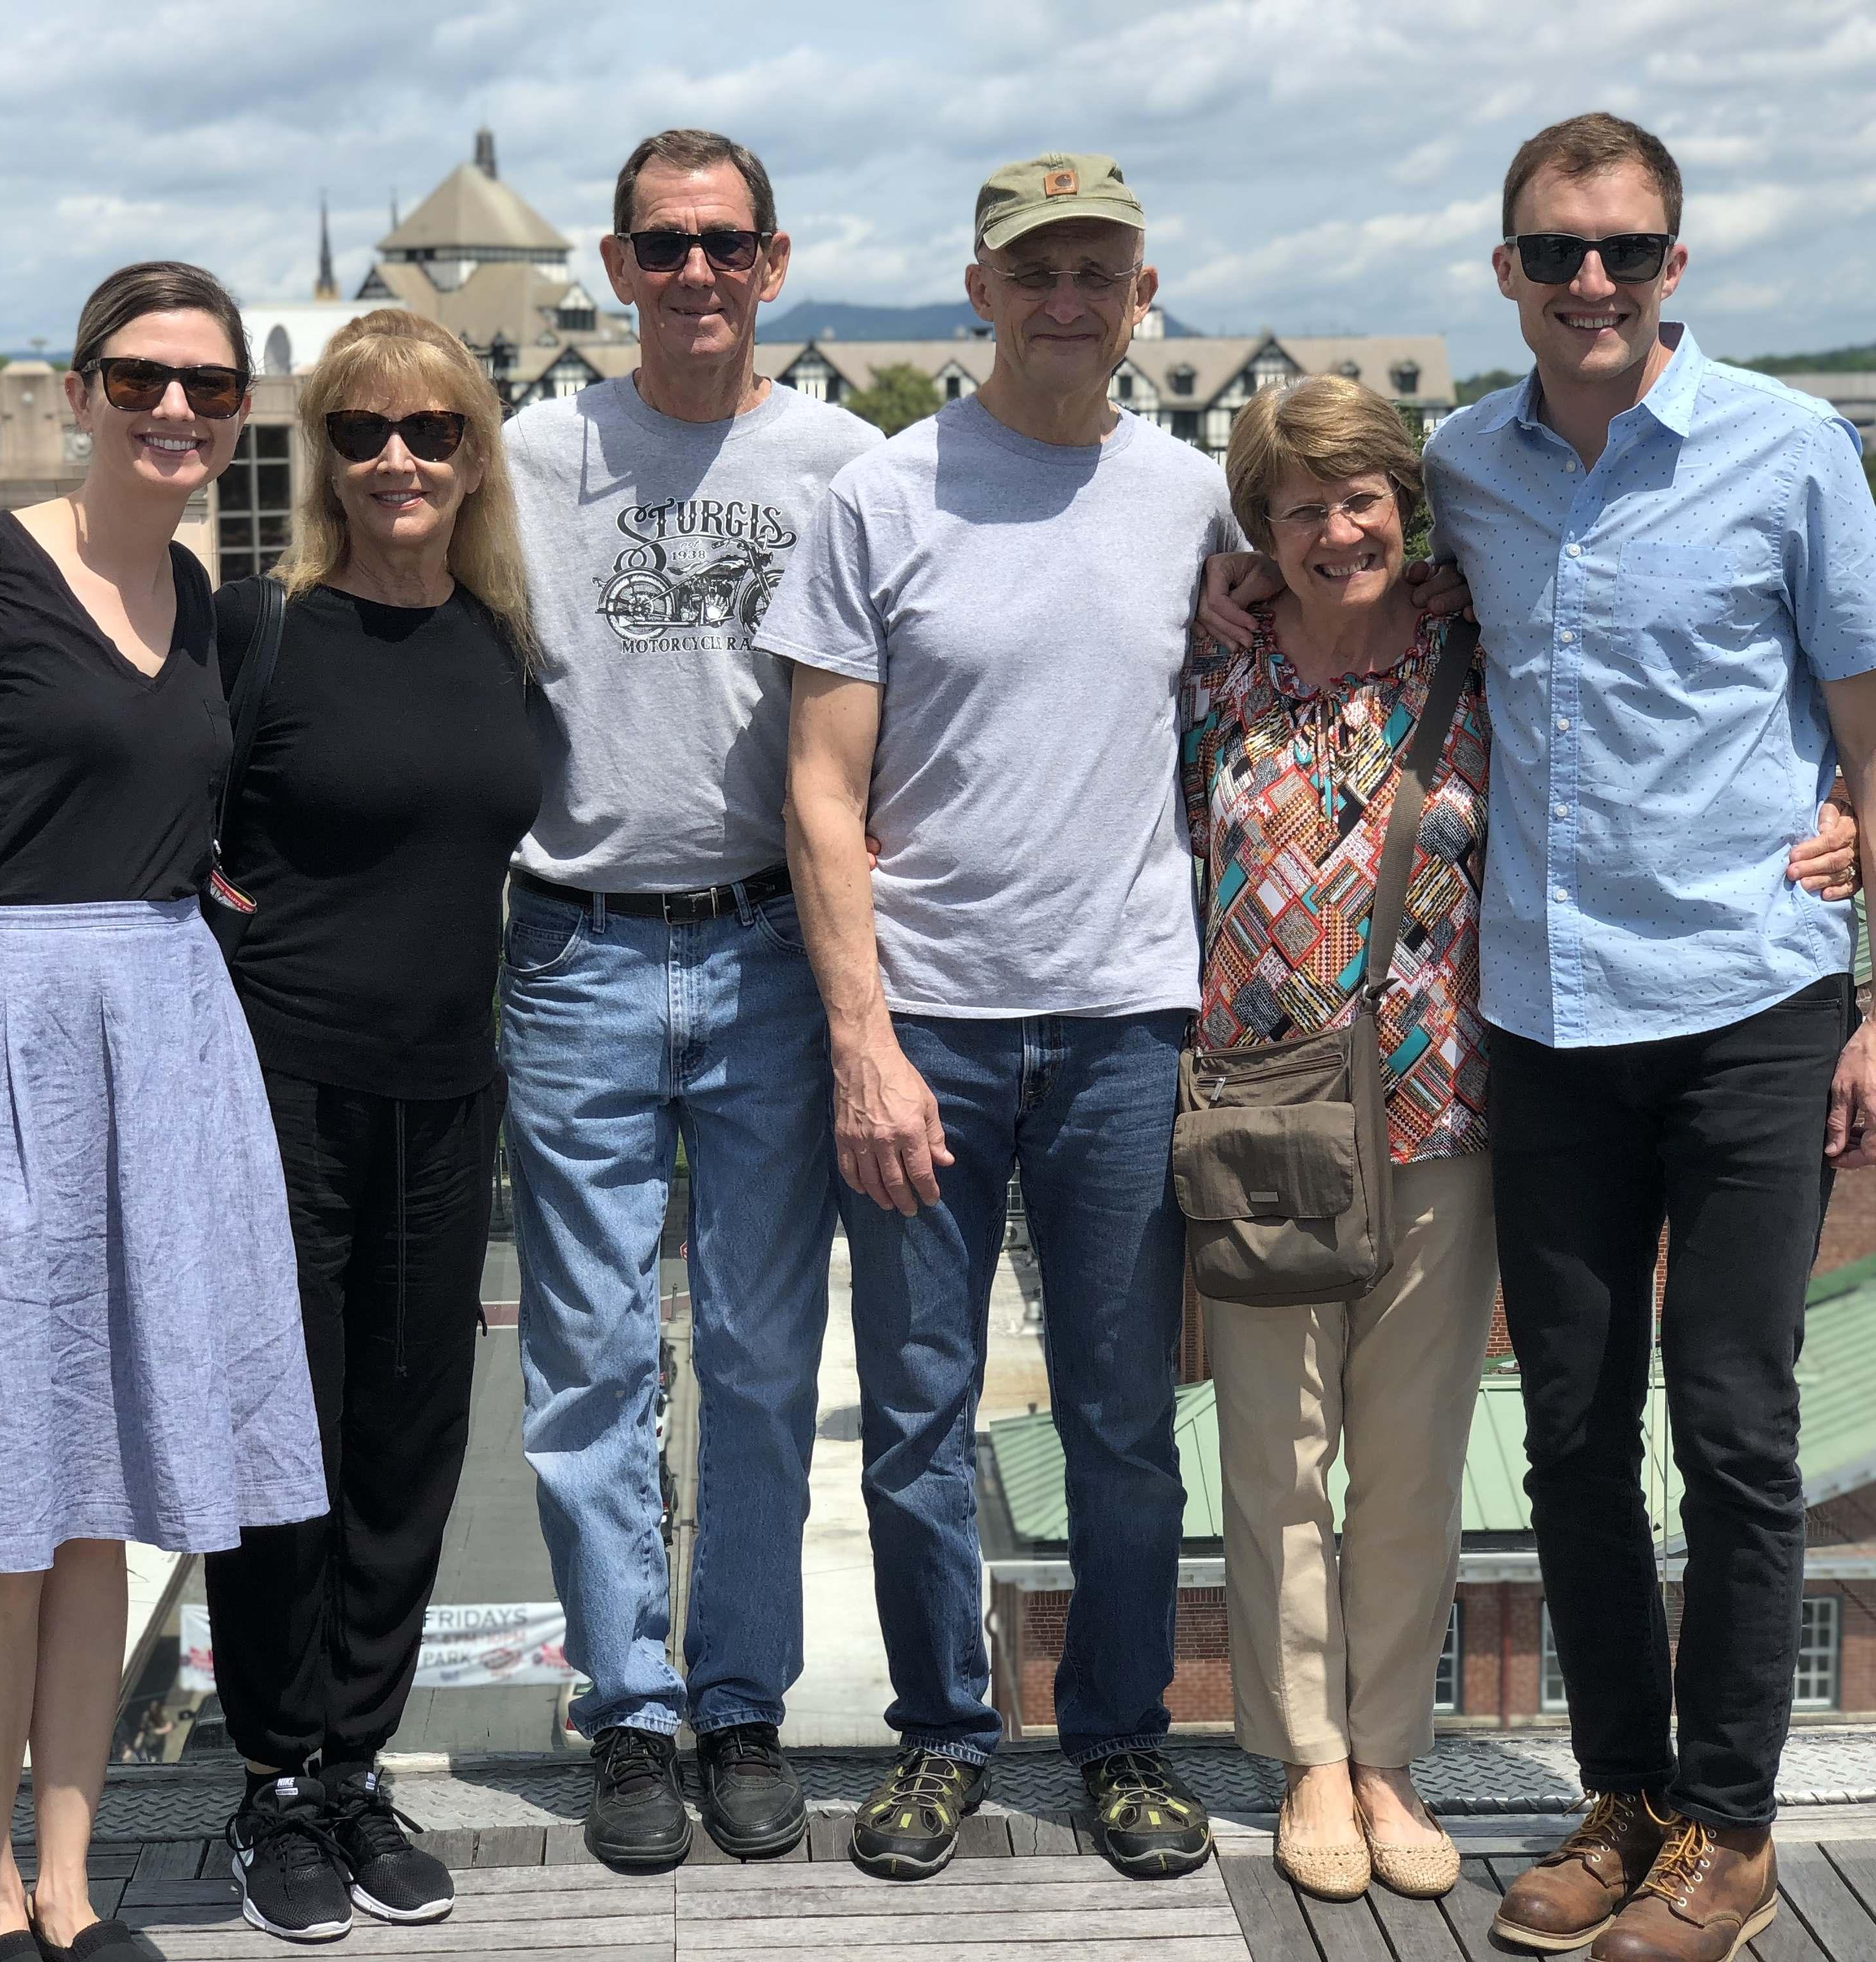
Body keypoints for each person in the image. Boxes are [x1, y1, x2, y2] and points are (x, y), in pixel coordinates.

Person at [1414, 115, 1876, 1961]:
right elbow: (1337, 576)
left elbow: (1869, 723)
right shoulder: (1464, 463)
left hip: (1755, 1006)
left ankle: (1737, 1830)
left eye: (1624, 251)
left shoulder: (1792, 451)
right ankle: (1623, 1800)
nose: (1589, 283)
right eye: (1553, 252)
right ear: (1506, 269)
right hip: (1545, 1014)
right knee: (1577, 1434)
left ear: (1676, 265)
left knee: (1741, 1429)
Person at [767, 152, 1237, 1883]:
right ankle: (942, 1739)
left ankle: (1121, 1739)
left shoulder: (1195, 499)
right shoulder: (885, 498)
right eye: (1034, 271)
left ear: (1140, 292)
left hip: (1127, 1022)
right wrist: (863, 1041)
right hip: (934, 1033)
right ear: (979, 289)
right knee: (912, 1414)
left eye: (1096, 270)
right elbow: (821, 795)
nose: (1065, 301)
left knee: (1122, 1420)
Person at [0, 263, 326, 1962]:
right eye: (141, 379)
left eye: (210, 389)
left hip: (161, 1034)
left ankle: (72, 1888)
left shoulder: (212, 601)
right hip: (0, 1034)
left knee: (96, 1506)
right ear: (77, 388)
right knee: (2, 1506)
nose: (176, 411)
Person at [498, 128, 881, 1869]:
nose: (698, 275)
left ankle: (740, 1701)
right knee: (584, 1361)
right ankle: (630, 1710)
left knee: (755, 1354)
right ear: (616, 263)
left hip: (766, 955)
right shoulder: (530, 456)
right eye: (665, 247)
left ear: (775, 262)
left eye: (726, 246)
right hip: (574, 943)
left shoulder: (849, 462)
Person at [200, 311, 542, 1943]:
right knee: (287, 1447)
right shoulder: (259, 631)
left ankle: (354, 1762)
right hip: (277, 1088)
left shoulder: (504, 641)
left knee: (411, 1444)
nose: (397, 457)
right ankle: (269, 1776)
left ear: (475, 453)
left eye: (430, 430)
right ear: (320, 453)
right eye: (359, 431)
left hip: (446, 1090)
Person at [1183, 374, 1494, 1903]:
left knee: (1413, 1453)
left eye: (1361, 496)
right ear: (1262, 527)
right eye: (1300, 505)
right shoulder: (1213, 673)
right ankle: (1306, 1751)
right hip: (1259, 1118)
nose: (1335, 528)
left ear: (1405, 506)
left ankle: (1388, 1752)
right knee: (1274, 1452)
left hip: (1443, 1108)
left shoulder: (1472, 656)